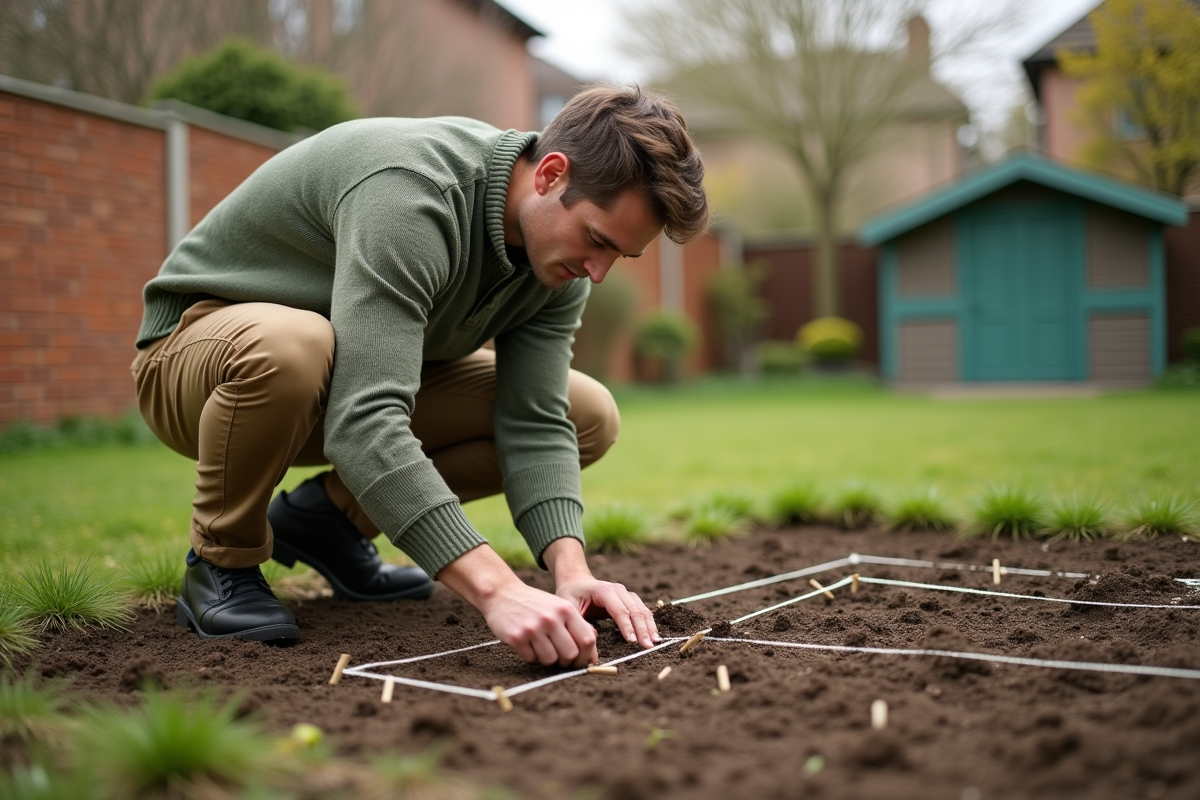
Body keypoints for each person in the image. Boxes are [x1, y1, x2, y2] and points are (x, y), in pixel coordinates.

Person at [130, 85, 710, 668]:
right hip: (199, 362)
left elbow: (534, 419)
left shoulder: (556, 266)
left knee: (587, 413)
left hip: (330, 385)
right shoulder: (413, 195)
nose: (598, 272)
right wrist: (497, 589)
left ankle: (327, 522)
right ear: (551, 174)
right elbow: (365, 422)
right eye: (597, 240)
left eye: (620, 257)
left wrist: (572, 571)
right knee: (295, 347)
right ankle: (220, 561)